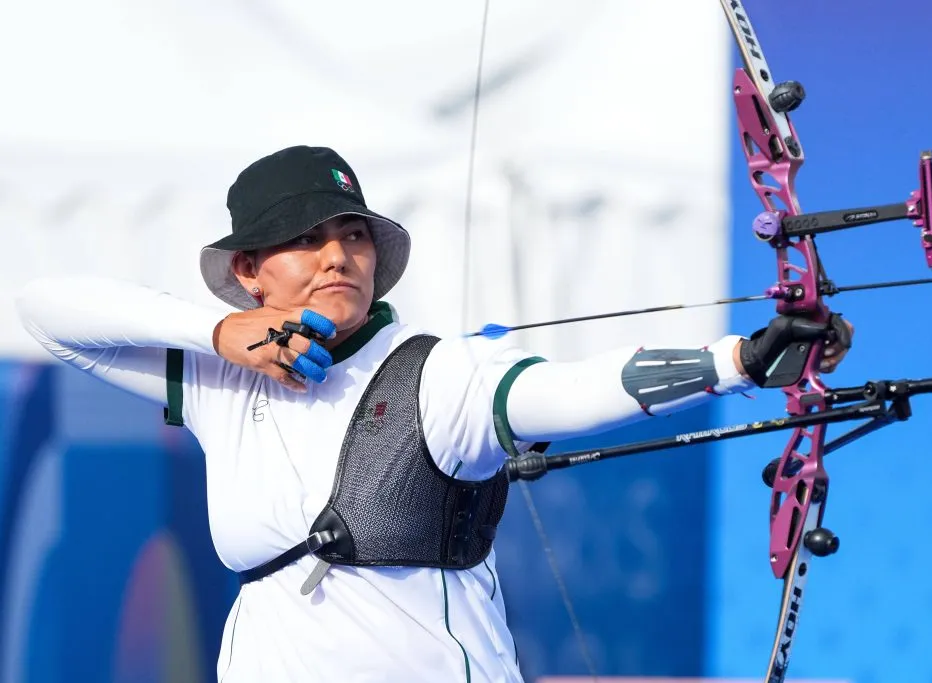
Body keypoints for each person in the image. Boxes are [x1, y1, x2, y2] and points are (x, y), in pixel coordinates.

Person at [15, 145, 853, 682]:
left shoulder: (440, 375)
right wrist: (221, 332)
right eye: (307, 238)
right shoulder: (218, 381)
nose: (339, 254)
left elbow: (566, 390)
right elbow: (47, 312)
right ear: (248, 268)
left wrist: (735, 360)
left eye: (354, 235)